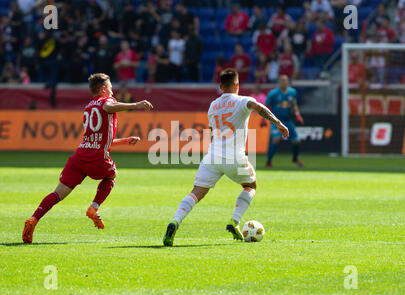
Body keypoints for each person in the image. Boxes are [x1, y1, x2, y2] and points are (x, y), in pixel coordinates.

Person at [162, 68, 289, 246]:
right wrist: (278, 123)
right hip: (234, 157)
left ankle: (175, 221)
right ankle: (234, 221)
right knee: (251, 185)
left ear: (220, 86)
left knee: (196, 192)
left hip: (212, 156)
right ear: (237, 85)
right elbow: (259, 108)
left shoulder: (213, 105)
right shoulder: (244, 100)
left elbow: (213, 132)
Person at [22, 73, 154, 244]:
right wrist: (136, 104)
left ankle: (33, 219)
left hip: (80, 156)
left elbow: (98, 140)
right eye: (111, 87)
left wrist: (124, 141)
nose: (113, 91)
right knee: (111, 176)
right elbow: (108, 107)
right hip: (96, 158)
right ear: (104, 89)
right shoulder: (106, 101)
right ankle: (94, 208)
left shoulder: (88, 107)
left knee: (57, 193)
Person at [265, 75, 304, 168]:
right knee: (276, 139)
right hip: (276, 121)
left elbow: (294, 104)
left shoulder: (292, 92)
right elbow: (266, 106)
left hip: (287, 120)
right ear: (279, 82)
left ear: (288, 82)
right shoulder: (273, 93)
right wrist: (264, 119)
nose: (284, 82)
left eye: (285, 80)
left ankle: (295, 158)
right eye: (282, 80)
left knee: (297, 141)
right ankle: (269, 162)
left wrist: (298, 114)